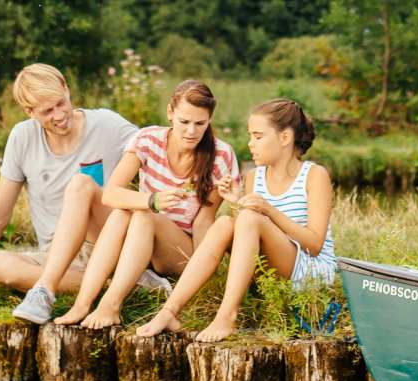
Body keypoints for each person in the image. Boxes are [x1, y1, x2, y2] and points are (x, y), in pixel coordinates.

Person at [136, 97, 336, 343]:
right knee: (223, 224)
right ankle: (170, 311)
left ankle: (226, 316)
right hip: (271, 270)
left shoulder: (314, 176)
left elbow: (314, 244)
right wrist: (236, 202)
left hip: (308, 271)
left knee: (250, 218)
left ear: (285, 138)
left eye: (258, 136)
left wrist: (268, 211)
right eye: (250, 136)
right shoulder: (254, 176)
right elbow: (249, 234)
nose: (250, 143)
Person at [54, 80, 239, 329]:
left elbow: (205, 219)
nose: (191, 131)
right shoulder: (148, 139)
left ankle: (111, 306)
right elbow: (111, 193)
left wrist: (200, 270)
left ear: (209, 120)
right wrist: (154, 200)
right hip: (138, 242)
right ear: (170, 113)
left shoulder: (221, 155)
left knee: (143, 216)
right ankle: (82, 304)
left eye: (200, 123)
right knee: (122, 214)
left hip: (180, 252)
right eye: (184, 122)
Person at [0, 63, 139, 324]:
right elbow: (0, 213)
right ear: (29, 111)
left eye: (62, 103)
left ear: (66, 89)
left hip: (105, 241)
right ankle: (120, 284)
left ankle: (46, 290)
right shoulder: (23, 137)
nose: (60, 115)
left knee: (81, 185)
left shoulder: (106, 124)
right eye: (48, 111)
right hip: (57, 256)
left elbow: (156, 147)